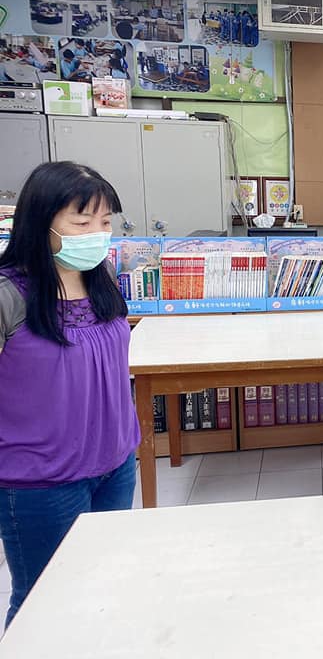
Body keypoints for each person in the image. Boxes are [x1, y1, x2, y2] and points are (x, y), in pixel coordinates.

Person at [0, 162, 139, 626]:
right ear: (42, 223)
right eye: (82, 223)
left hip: (115, 465)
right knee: (42, 603)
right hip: (42, 481)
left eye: (105, 222)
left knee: (99, 588)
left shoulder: (101, 281)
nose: (96, 235)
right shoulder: (10, 295)